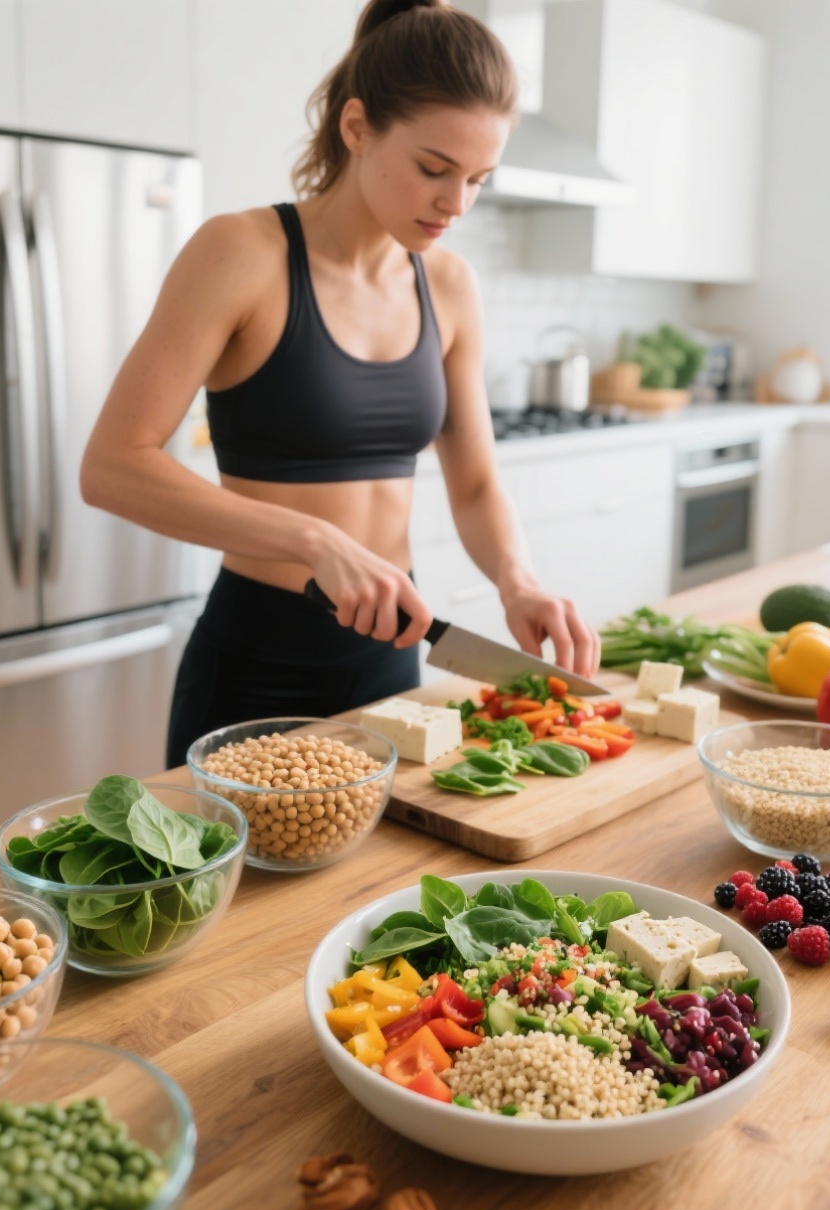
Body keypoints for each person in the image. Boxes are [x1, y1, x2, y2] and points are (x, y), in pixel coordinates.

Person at [80, 0, 601, 769]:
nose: (456, 203)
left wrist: (516, 582)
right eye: (433, 169)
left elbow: (477, 479)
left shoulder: (450, 286)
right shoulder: (243, 253)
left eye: (479, 179)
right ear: (357, 128)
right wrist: (313, 539)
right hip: (256, 666)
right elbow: (112, 466)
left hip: (392, 661)